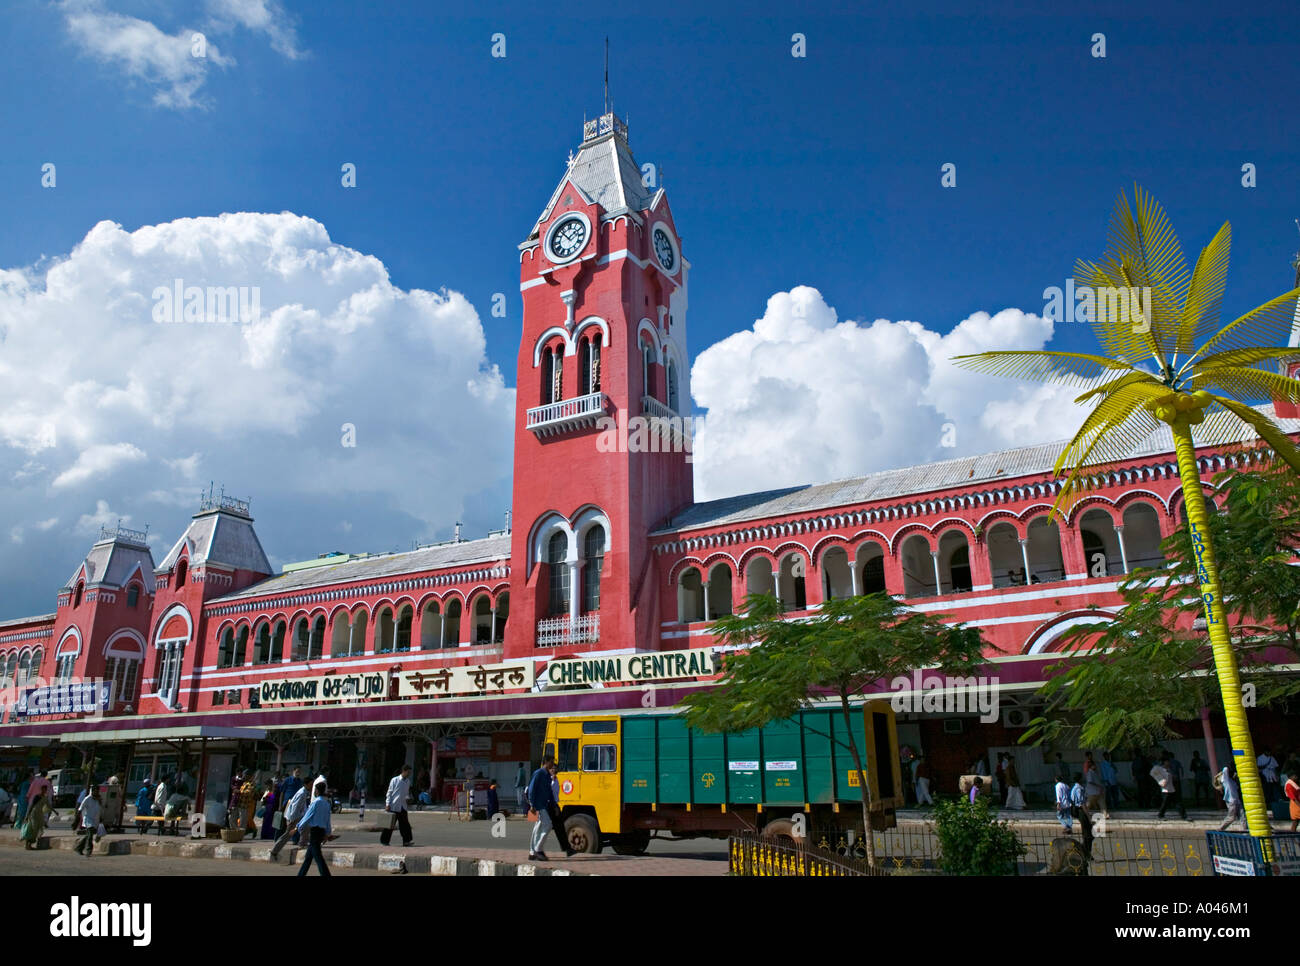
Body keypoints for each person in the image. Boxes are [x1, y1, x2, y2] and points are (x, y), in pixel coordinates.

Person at [297, 780, 336, 876]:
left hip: (314, 832)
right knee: (308, 858)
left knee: (318, 857)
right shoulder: (327, 804)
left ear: (317, 791)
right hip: (321, 831)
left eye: (315, 790)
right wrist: (328, 833)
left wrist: (298, 827)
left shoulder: (315, 803)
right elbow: (327, 820)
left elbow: (307, 816)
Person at [526, 756, 558, 861]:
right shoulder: (539, 773)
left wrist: (554, 805)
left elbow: (549, 792)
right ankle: (538, 849)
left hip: (543, 805)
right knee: (548, 825)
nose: (553, 765)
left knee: (538, 828)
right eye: (551, 762)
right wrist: (532, 805)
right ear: (546, 762)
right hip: (537, 805)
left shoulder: (548, 775)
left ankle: (532, 852)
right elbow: (531, 789)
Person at [270, 780, 311, 860]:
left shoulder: (304, 792)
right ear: (306, 784)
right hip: (294, 817)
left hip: (298, 816)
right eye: (311, 784)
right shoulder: (302, 793)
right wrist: (292, 820)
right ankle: (274, 851)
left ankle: (303, 844)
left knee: (305, 828)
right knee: (287, 835)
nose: (312, 785)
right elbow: (295, 807)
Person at [381, 764, 413, 847]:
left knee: (405, 825)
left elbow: (406, 793)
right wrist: (387, 804)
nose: (409, 774)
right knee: (389, 824)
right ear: (404, 771)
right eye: (408, 772)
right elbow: (389, 793)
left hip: (403, 806)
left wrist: (408, 798)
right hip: (393, 806)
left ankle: (406, 841)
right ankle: (384, 841)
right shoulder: (394, 780)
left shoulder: (408, 781)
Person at [1153, 755, 1187, 820]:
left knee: (1177, 801)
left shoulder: (1169, 769)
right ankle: (1160, 815)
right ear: (1164, 762)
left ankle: (1184, 815)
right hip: (1166, 788)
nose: (1169, 763)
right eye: (1167, 761)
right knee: (1166, 802)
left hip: (1173, 787)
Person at [74, 784, 102, 857]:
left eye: (97, 791)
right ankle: (89, 850)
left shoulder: (98, 799)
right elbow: (80, 808)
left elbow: (99, 809)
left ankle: (79, 848)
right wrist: (76, 820)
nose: (96, 793)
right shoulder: (87, 799)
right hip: (88, 819)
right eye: (95, 791)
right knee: (90, 835)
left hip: (95, 819)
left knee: (89, 835)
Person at [1216, 764, 1245, 832]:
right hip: (1231, 801)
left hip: (1237, 800)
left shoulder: (1232, 781)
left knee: (1242, 816)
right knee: (1231, 817)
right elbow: (1225, 768)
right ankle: (1221, 828)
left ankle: (1245, 829)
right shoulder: (1225, 780)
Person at [1071, 774, 1094, 859]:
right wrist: (1089, 817)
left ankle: (1085, 852)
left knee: (1088, 834)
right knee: (1088, 835)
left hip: (1080, 811)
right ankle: (1085, 852)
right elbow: (1082, 804)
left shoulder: (1075, 788)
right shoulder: (1079, 789)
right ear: (1080, 779)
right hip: (1082, 811)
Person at [1286, 768, 1300, 833]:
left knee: (1296, 821)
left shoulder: (1294, 783)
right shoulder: (1289, 785)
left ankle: (1293, 836)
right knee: (1295, 821)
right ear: (1291, 776)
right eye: (1295, 776)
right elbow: (1293, 797)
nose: (1296, 777)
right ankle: (1293, 836)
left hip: (1297, 802)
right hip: (1295, 803)